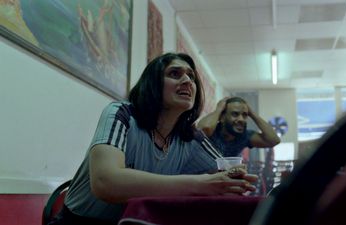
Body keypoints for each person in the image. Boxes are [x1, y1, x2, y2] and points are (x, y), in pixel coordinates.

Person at [49, 53, 257, 225]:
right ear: (153, 84)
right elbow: (105, 182)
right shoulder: (122, 113)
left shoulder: (191, 136)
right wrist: (203, 183)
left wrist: (232, 179)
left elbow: (228, 171)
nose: (188, 81)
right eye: (175, 74)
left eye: (192, 77)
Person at [197, 97, 280, 157]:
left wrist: (252, 113)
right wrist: (218, 109)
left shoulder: (244, 136)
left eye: (244, 115)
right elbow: (202, 130)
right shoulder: (212, 130)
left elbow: (274, 140)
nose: (241, 119)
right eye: (235, 114)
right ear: (222, 117)